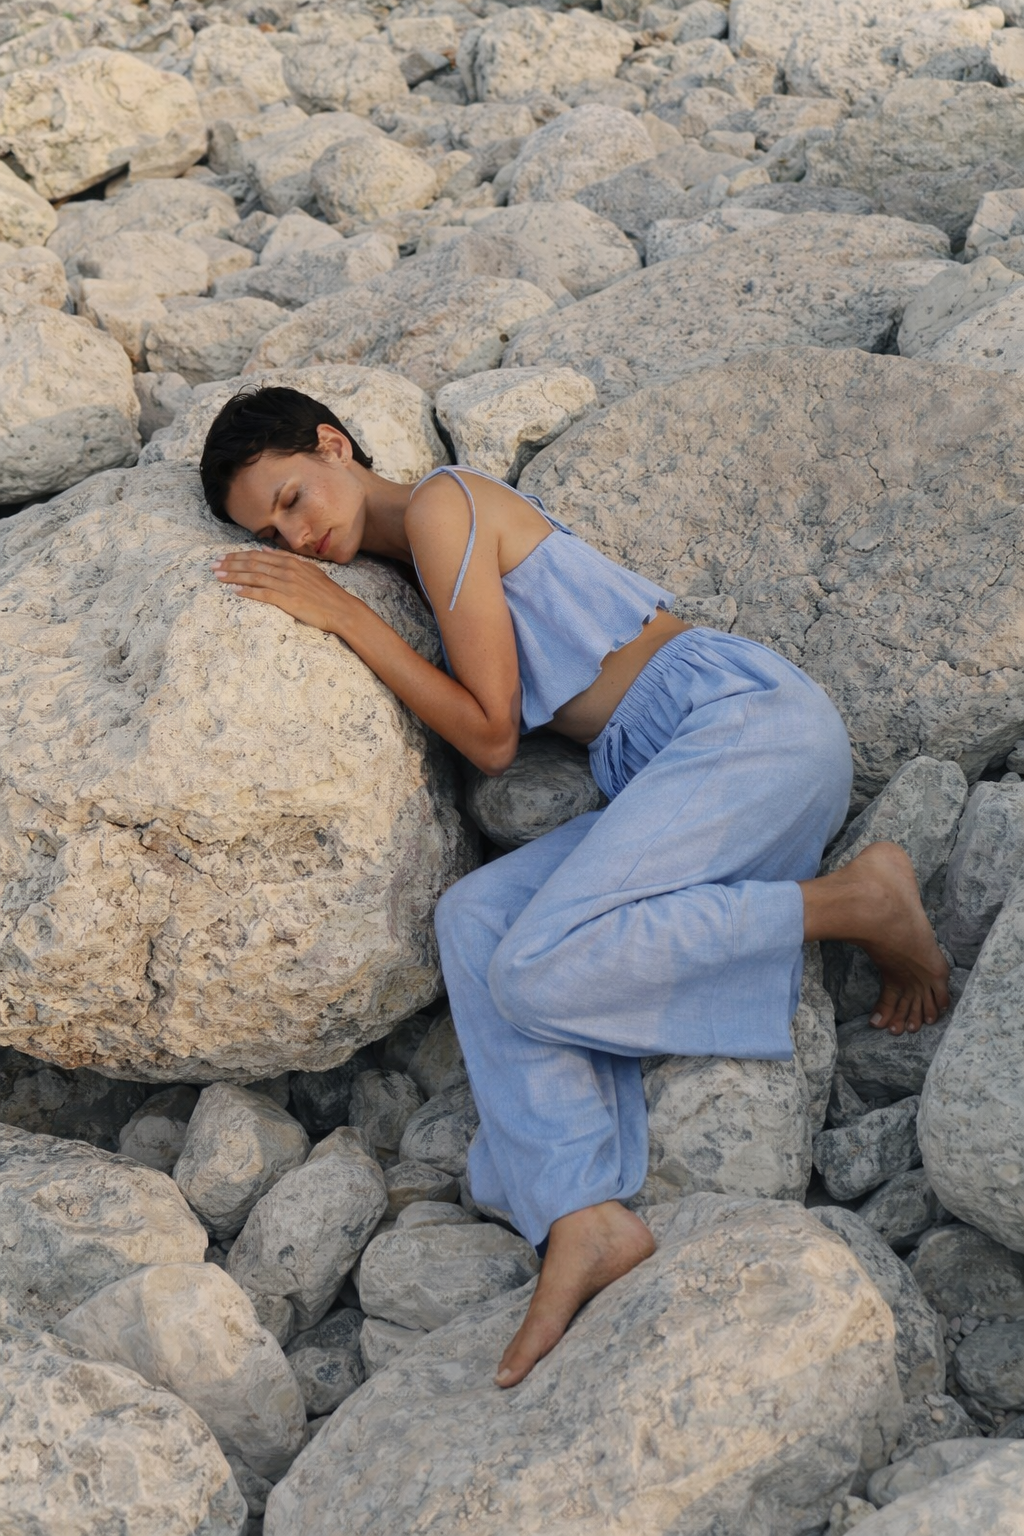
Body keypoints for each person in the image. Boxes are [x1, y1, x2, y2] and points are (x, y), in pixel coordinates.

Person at [202, 385, 950, 1388]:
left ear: (334, 445)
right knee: (475, 921)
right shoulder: (412, 555)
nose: (297, 539)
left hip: (742, 727)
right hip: (679, 772)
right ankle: (581, 1214)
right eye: (271, 532)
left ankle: (851, 903)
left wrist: (344, 620)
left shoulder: (439, 507)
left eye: (293, 499)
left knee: (543, 968)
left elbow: (493, 733)